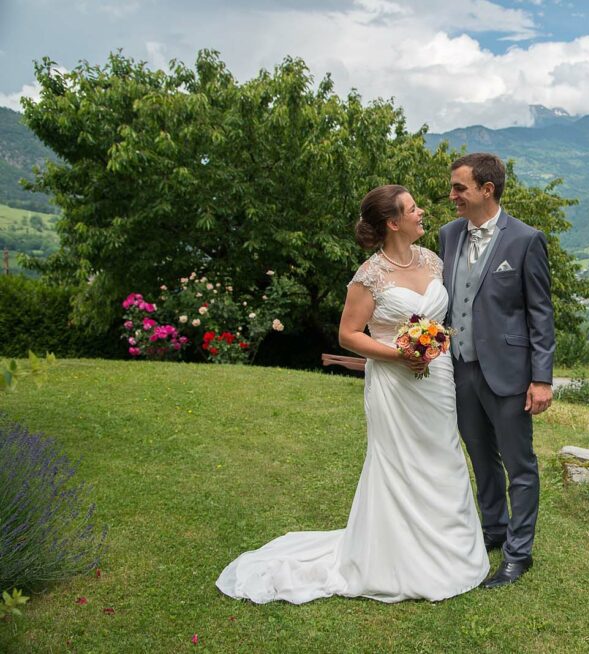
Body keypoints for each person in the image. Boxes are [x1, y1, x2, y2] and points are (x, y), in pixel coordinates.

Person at [216, 184, 489, 604]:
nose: (421, 213)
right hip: (394, 384)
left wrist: (436, 346)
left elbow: (442, 320)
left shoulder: (433, 261)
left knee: (444, 454)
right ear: (393, 223)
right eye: (412, 209)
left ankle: (452, 553)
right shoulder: (369, 275)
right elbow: (348, 335)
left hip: (436, 380)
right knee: (398, 462)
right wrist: (399, 355)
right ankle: (395, 559)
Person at [439, 153, 555, 589]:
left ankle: (518, 554)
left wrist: (541, 379)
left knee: (519, 465)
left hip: (509, 373)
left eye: (459, 188)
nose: (452, 195)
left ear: (487, 190)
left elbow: (540, 313)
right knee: (481, 457)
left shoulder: (526, 240)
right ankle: (495, 529)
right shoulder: (448, 235)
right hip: (460, 368)